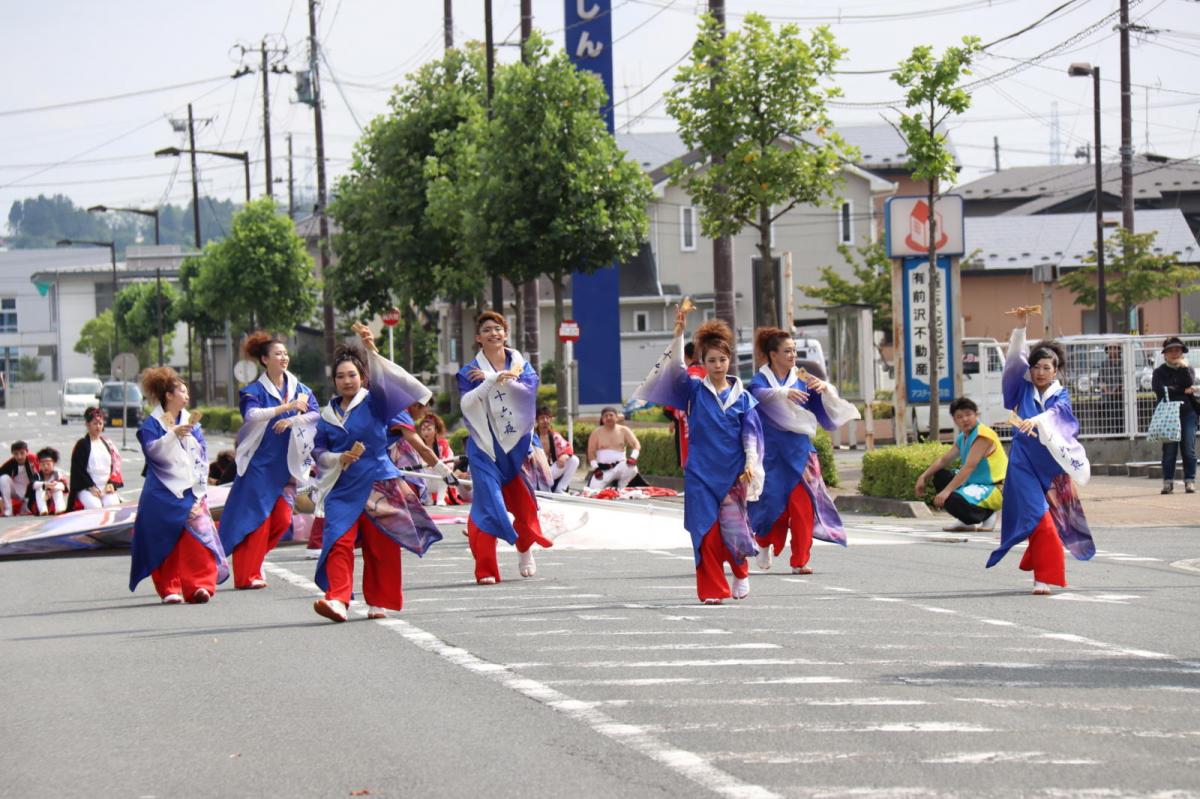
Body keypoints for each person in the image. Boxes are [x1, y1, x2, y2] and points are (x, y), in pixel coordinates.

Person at [633, 304, 763, 605]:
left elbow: (752, 435)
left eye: (722, 359)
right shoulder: (692, 390)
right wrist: (678, 334)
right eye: (711, 360)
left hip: (733, 473)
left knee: (734, 528)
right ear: (701, 362)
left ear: (730, 361)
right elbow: (672, 370)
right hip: (700, 473)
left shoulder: (743, 398)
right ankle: (713, 589)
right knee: (705, 532)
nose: (718, 365)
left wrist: (751, 463)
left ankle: (740, 571)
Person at [311, 325, 442, 622]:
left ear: (363, 377)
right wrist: (337, 457)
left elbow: (397, 397)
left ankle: (379, 600)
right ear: (333, 381)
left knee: (380, 544)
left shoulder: (377, 402)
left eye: (352, 375)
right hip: (342, 487)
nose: (347, 380)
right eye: (341, 376)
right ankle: (338, 599)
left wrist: (372, 351)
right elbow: (318, 451)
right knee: (338, 541)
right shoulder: (326, 416)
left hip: (379, 482)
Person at [988, 307, 1094, 595]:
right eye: (1036, 367)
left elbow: (1061, 417)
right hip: (1023, 465)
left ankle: (1037, 556)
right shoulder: (1022, 388)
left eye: (1047, 368)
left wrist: (1037, 419)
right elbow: (1013, 362)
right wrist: (1021, 328)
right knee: (1040, 518)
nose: (1040, 372)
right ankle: (1043, 578)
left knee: (1050, 523)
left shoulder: (1061, 396)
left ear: (1056, 370)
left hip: (1052, 469)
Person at [747, 327, 859, 575]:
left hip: (800, 451)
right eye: (787, 351)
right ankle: (763, 542)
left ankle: (800, 559)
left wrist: (824, 389)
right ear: (772, 354)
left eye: (794, 351)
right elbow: (756, 395)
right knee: (774, 505)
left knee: (803, 506)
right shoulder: (761, 379)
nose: (793, 355)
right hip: (772, 453)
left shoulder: (802, 377)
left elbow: (826, 405)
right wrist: (783, 392)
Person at [218, 332, 320, 590]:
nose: (283, 357)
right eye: (277, 354)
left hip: (287, 467)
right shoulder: (252, 391)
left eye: (285, 353)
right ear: (264, 359)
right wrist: (285, 408)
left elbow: (316, 415)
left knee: (282, 520)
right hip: (260, 465)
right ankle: (247, 575)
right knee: (257, 521)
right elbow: (252, 416)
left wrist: (294, 419)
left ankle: (253, 564)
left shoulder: (301, 389)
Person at [457, 311, 552, 584]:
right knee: (488, 505)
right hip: (485, 449)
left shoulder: (523, 366)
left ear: (506, 334)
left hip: (516, 448)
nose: (493, 333)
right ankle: (486, 569)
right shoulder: (469, 372)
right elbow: (467, 405)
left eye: (498, 328)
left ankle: (524, 549)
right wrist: (489, 381)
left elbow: (528, 397)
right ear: (478, 338)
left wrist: (500, 377)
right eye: (487, 329)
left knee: (524, 507)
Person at [129, 368, 228, 605]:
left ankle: (199, 586)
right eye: (182, 391)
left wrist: (189, 438)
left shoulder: (191, 422)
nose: (186, 396)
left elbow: (202, 456)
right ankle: (169, 588)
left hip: (191, 490)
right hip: (161, 492)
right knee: (164, 538)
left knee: (198, 536)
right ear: (168, 395)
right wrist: (172, 435)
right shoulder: (151, 424)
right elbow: (153, 452)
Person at [914, 397, 1008, 533]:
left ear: (976, 414)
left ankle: (988, 514)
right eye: (959, 416)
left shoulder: (983, 435)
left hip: (996, 487)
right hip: (976, 484)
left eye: (969, 414)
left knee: (952, 498)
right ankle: (966, 522)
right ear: (954, 420)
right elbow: (943, 460)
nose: (965, 419)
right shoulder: (963, 437)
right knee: (941, 476)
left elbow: (969, 466)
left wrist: (946, 491)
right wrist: (923, 477)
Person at [1152, 336, 1198, 494]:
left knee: (1188, 448)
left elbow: (1188, 383)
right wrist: (1181, 390)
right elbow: (1160, 389)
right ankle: (1168, 482)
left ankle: (1190, 481)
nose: (1174, 353)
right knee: (1170, 449)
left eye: (1177, 350)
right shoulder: (1159, 372)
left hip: (1188, 413)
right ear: (1164, 354)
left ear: (1182, 353)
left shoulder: (1188, 369)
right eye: (1170, 350)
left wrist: (1183, 368)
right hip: (1168, 414)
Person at [664, 342, 708, 468]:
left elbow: (670, 407)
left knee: (691, 465)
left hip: (687, 426)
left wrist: (673, 419)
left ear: (685, 356)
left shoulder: (685, 376)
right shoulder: (712, 374)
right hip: (709, 426)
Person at [69, 408, 123, 510]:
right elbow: (78, 470)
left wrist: (111, 483)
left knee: (113, 505)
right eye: (95, 423)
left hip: (106, 486)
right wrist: (91, 486)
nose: (98, 426)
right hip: (87, 487)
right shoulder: (82, 445)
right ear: (87, 425)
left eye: (100, 423)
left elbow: (116, 465)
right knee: (95, 506)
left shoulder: (108, 444)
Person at [585, 407, 641, 491]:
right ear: (602, 419)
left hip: (620, 466)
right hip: (603, 469)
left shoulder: (624, 430)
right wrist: (595, 468)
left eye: (611, 415)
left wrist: (633, 457)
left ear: (616, 417)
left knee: (632, 468)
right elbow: (591, 452)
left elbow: (636, 444)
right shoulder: (596, 432)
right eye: (605, 416)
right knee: (593, 490)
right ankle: (609, 485)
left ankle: (621, 486)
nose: (608, 418)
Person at [532, 405, 579, 493]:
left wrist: (564, 456)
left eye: (547, 418)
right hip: (536, 473)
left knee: (574, 460)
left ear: (551, 419)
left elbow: (568, 449)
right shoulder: (532, 437)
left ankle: (560, 488)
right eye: (542, 418)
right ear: (537, 420)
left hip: (551, 470)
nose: (545, 421)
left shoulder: (555, 435)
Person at [418, 413, 462, 504]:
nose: (425, 432)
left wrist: (438, 466)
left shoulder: (443, 445)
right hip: (424, 478)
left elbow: (449, 461)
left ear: (436, 431)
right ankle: (427, 498)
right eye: (423, 429)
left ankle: (440, 499)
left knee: (444, 470)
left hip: (439, 478)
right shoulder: (418, 446)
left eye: (429, 429)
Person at [0, 440, 36, 516]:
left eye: (22, 453)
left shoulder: (33, 459)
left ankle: (26, 505)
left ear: (27, 452)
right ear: (12, 454)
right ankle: (8, 509)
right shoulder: (11, 463)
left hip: (31, 490)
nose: (19, 457)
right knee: (3, 478)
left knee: (27, 511)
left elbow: (43, 474)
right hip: (15, 491)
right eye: (16, 454)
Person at [29, 447, 68, 516]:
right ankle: (43, 510)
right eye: (43, 464)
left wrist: (52, 487)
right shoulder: (37, 475)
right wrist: (45, 485)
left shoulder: (57, 475)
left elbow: (64, 487)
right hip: (40, 500)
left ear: (53, 464)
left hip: (52, 499)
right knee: (39, 489)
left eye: (48, 464)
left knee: (57, 489)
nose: (46, 467)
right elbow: (33, 485)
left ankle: (60, 508)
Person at [1097, 343, 1125, 435]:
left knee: (1122, 409)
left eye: (1115, 348)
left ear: (1119, 349)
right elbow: (1101, 381)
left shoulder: (1124, 363)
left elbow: (1127, 379)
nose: (1112, 350)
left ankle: (1122, 433)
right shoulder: (1104, 364)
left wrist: (1120, 389)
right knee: (1107, 406)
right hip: (1108, 396)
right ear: (1107, 350)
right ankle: (1110, 432)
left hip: (1123, 395)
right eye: (1110, 348)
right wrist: (1107, 391)